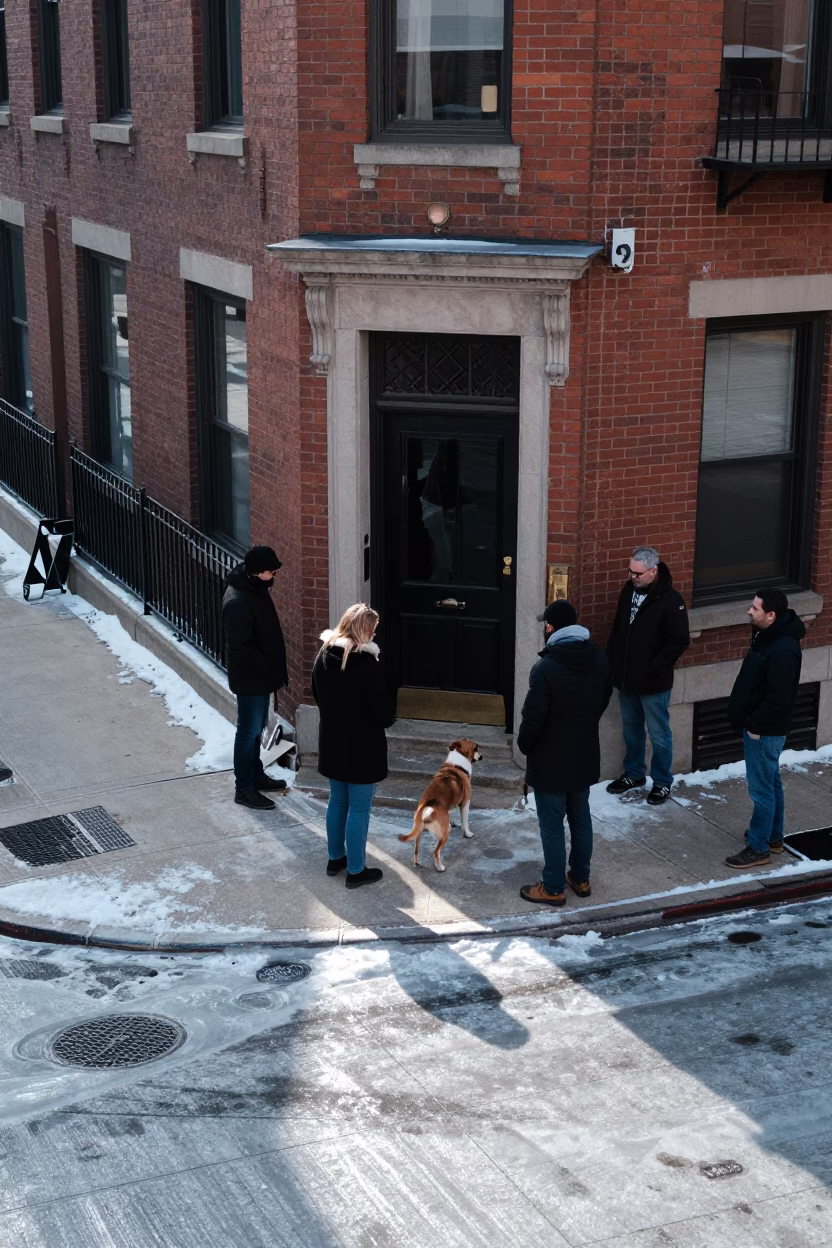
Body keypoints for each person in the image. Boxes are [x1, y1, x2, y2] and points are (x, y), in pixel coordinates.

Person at [517, 600, 612, 907]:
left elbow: (532, 719)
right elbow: (603, 697)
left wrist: (524, 745)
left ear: (551, 627)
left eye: (546, 625)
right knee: (580, 817)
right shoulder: (598, 658)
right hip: (583, 754)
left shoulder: (546, 668)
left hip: (550, 761)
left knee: (552, 825)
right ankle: (580, 878)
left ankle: (553, 887)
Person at [312, 603, 396, 889]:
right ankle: (356, 871)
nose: (374, 635)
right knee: (359, 809)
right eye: (372, 630)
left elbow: (316, 695)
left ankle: (335, 858)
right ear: (363, 630)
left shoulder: (323, 656)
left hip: (333, 741)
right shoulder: (366, 666)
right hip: (363, 748)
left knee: (337, 801)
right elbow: (384, 714)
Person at [725, 588, 805, 868]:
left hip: (764, 730)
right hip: (762, 727)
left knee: (761, 790)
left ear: (771, 615)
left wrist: (754, 726)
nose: (749, 610)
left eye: (755, 608)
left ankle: (759, 848)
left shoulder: (783, 649)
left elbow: (778, 698)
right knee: (770, 781)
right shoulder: (767, 636)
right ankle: (773, 837)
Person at [605, 545, 690, 805]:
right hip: (626, 679)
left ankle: (662, 782)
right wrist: (613, 662)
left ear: (653, 571)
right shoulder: (628, 591)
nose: (632, 577)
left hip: (654, 684)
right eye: (630, 571)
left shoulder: (671, 600)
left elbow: (679, 640)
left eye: (638, 573)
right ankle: (634, 774)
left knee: (659, 734)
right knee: (632, 730)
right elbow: (619, 628)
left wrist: (654, 668)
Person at [222, 545, 289, 810]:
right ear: (257, 572)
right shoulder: (238, 602)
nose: (274, 576)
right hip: (251, 679)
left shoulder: (254, 588)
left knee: (257, 727)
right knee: (248, 731)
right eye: (271, 572)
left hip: (260, 677)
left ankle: (255, 775)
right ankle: (244, 788)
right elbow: (241, 650)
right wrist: (268, 668)